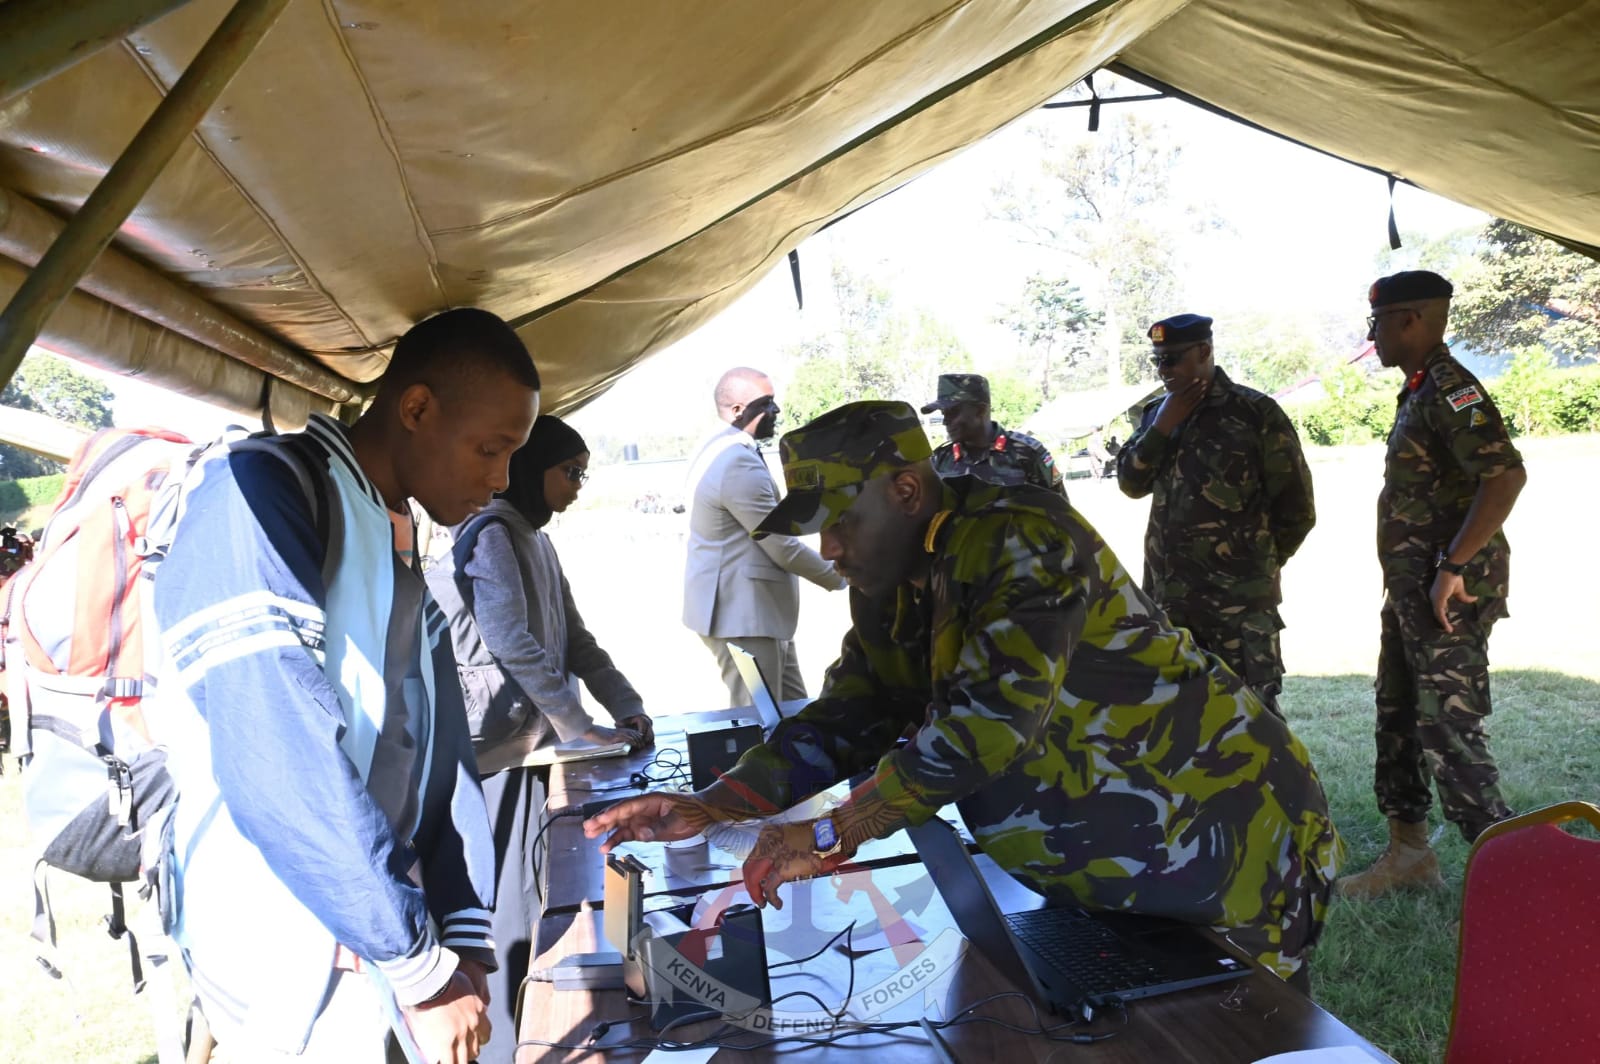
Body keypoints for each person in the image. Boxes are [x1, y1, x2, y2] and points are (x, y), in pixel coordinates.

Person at [591, 400, 1342, 988]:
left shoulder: (1020, 539)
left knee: (1245, 1034)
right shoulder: (893, 578)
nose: (829, 549)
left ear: (906, 491)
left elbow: (988, 723)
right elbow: (855, 711)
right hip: (1124, 870)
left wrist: (830, 833)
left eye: (841, 522)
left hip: (1229, 838)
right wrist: (720, 802)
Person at [154, 308, 542, 1063]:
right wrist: (419, 967)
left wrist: (460, 925)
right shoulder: (262, 493)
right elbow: (279, 757)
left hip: (384, 925)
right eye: (491, 449)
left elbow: (437, 747)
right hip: (296, 949)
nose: (500, 480)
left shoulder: (388, 526)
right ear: (417, 408)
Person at [427, 414, 651, 1064]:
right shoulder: (494, 531)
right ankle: (500, 1042)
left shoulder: (535, 540)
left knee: (533, 901)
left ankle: (520, 1027)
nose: (577, 485)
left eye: (584, 474)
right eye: (570, 471)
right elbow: (511, 641)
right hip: (491, 762)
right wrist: (581, 727)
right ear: (533, 467)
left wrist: (628, 707)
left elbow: (577, 641)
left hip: (533, 752)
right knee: (496, 913)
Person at [1338, 271, 1526, 901]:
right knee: (1397, 715)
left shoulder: (1450, 388)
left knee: (1450, 728)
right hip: (1413, 589)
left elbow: (1505, 477)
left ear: (1411, 320)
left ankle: (1516, 882)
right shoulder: (1420, 388)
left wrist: (1452, 566)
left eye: (1378, 323)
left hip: (1449, 594)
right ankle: (1410, 854)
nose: (1373, 336)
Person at [1116, 314, 1315, 717]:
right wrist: (1162, 427)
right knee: (1178, 719)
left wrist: (1262, 564)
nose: (1164, 370)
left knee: (1252, 719)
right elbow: (1130, 483)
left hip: (1237, 610)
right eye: (1157, 360)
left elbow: (1297, 509)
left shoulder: (1255, 413)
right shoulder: (1156, 414)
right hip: (1170, 606)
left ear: (1204, 351)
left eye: (1172, 359)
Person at [682, 366, 845, 706]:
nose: (776, 410)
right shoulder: (735, 461)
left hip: (757, 614)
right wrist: (842, 575)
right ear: (738, 410)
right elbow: (782, 546)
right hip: (745, 617)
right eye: (767, 403)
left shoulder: (717, 448)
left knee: (793, 711)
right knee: (759, 720)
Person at [922, 372, 1067, 498]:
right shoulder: (940, 460)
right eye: (944, 414)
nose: (945, 421)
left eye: (953, 413)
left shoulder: (1026, 453)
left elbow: (1061, 510)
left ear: (981, 410)